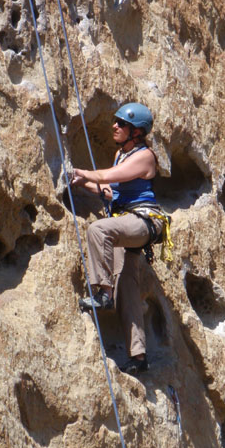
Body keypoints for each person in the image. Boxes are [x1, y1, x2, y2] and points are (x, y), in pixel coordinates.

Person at [70, 102, 167, 375]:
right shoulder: (120, 155)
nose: (115, 125)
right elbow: (110, 191)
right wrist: (81, 183)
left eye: (121, 123)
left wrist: (83, 172)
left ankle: (102, 292)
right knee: (128, 288)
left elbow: (107, 176)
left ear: (136, 131)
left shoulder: (145, 156)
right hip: (128, 221)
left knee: (98, 230)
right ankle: (138, 356)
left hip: (144, 222)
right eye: (115, 121)